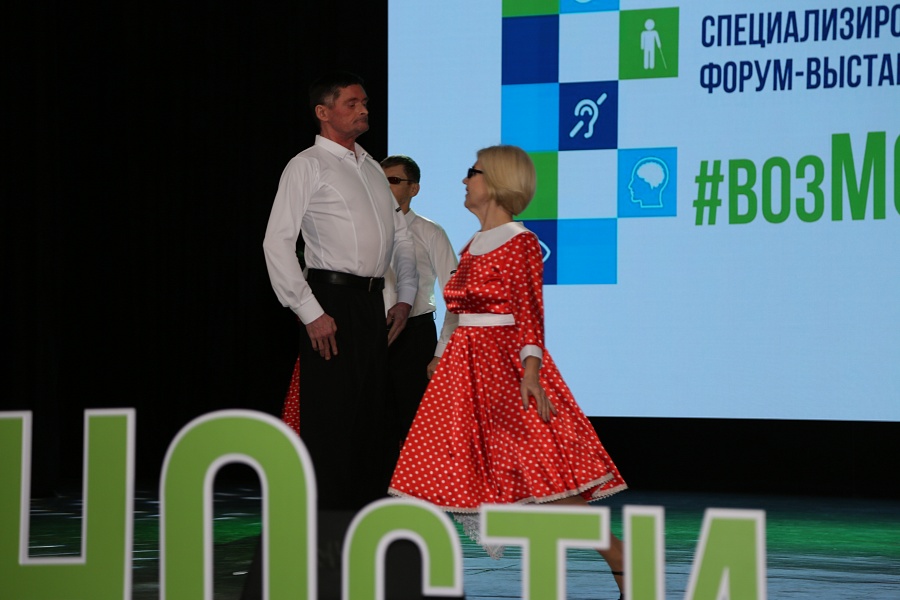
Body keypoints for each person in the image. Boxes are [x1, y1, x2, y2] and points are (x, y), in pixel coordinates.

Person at [388, 145, 628, 599]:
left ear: (497, 181)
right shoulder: (472, 244)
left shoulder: (520, 241)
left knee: (541, 477)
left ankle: (618, 555)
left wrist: (530, 372)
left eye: (473, 172)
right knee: (436, 468)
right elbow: (458, 312)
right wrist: (442, 355)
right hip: (464, 370)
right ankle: (407, 571)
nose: (465, 180)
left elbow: (530, 313)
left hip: (501, 368)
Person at [262, 71, 417, 510]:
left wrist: (405, 297)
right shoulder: (307, 165)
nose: (364, 109)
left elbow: (401, 237)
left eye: (364, 102)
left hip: (372, 302)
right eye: (352, 103)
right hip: (330, 300)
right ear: (323, 112)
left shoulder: (371, 167)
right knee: (332, 417)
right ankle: (327, 523)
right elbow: (276, 242)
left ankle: (367, 519)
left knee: (372, 415)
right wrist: (310, 311)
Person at [380, 155, 459, 452]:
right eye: (380, 180)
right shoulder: (364, 230)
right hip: (370, 333)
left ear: (414, 189)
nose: (384, 186)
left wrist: (441, 354)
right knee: (372, 423)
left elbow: (456, 297)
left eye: (393, 180)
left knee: (415, 426)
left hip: (414, 337)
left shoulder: (430, 232)